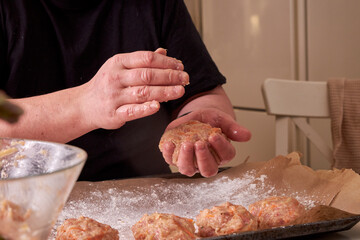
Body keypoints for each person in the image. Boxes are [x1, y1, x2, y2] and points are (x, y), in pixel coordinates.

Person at [0, 0, 251, 181]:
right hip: (23, 204)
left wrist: (198, 120)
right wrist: (85, 104)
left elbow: (203, 93)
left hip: (144, 196)